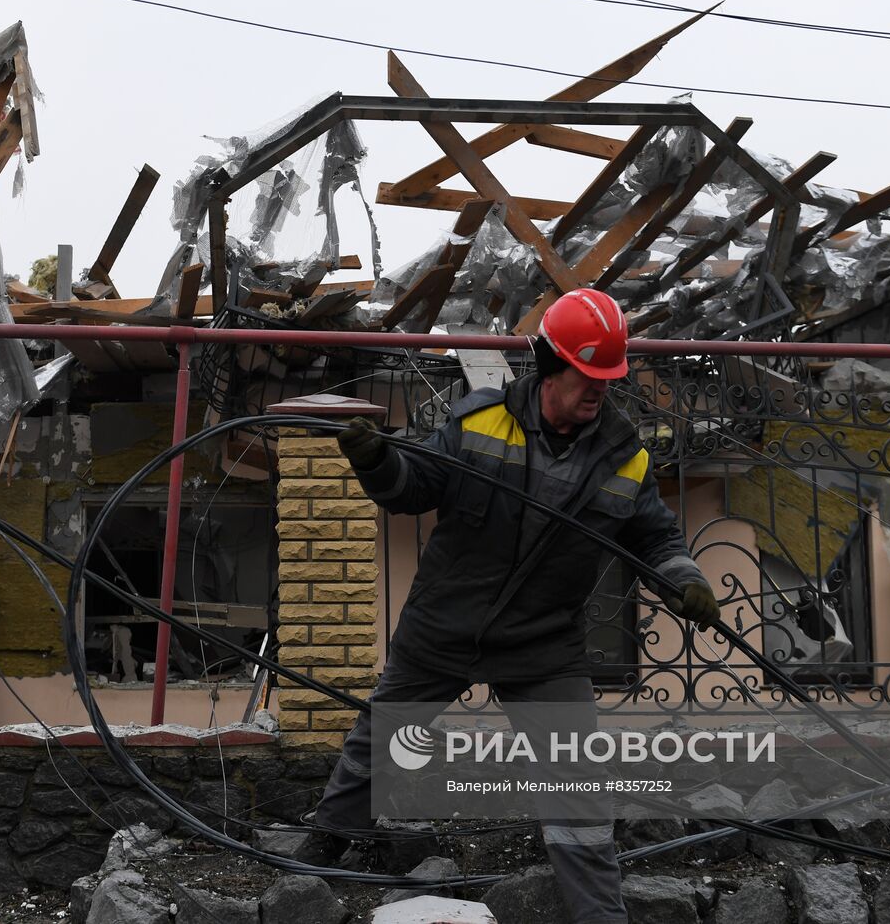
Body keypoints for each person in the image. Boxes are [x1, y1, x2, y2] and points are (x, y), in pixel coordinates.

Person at [299, 288, 719, 924]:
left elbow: (655, 538)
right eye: (588, 375)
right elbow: (412, 489)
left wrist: (684, 580)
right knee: (376, 743)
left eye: (609, 377)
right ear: (551, 365)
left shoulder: (625, 457)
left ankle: (598, 914)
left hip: (542, 644)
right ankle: (319, 855)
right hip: (446, 622)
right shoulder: (479, 421)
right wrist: (375, 461)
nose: (600, 388)